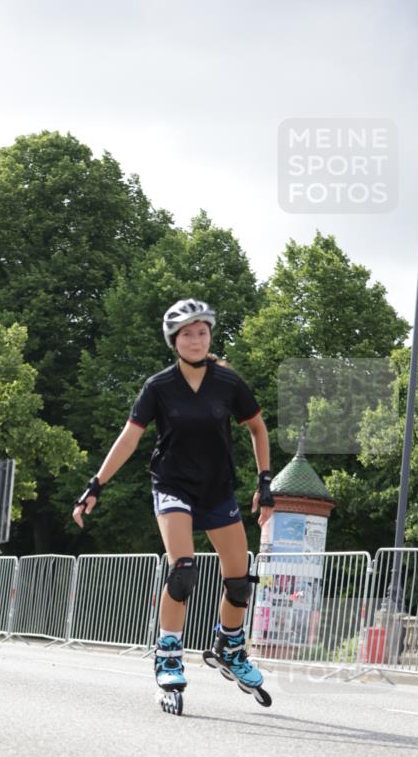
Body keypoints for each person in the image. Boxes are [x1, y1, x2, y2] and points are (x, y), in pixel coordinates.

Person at [72, 298, 275, 695]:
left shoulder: (228, 383)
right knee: (183, 570)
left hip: (217, 489)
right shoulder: (159, 386)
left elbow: (258, 428)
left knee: (239, 583)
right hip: (173, 486)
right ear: (174, 340)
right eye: (188, 334)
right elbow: (129, 438)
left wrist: (264, 482)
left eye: (203, 332)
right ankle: (168, 654)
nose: (197, 340)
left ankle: (229, 647)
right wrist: (96, 485)